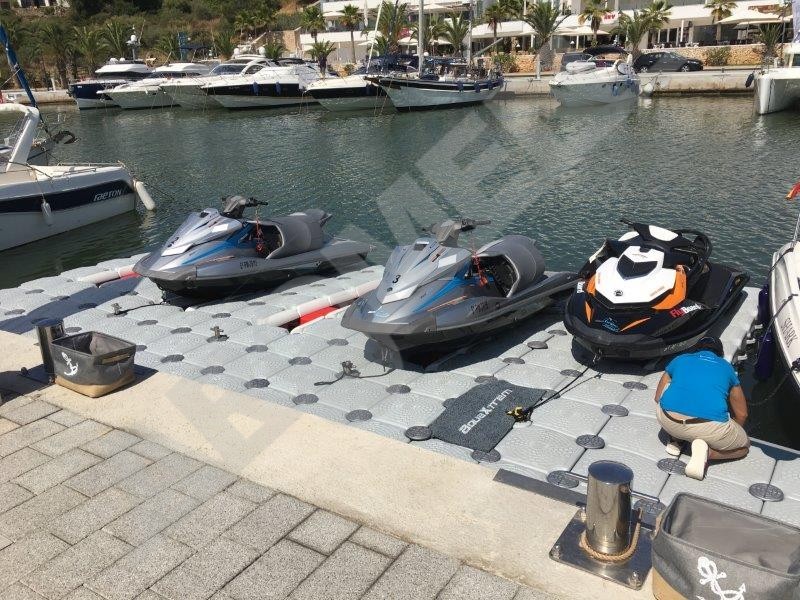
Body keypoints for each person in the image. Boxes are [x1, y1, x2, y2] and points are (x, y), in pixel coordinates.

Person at [653, 336, 749, 481]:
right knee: (744, 448)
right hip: (706, 427)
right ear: (720, 354)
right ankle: (708, 453)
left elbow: (657, 397)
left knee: (672, 390)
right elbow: (742, 415)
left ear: (695, 350)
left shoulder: (680, 359)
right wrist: (731, 432)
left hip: (667, 420)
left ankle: (675, 439)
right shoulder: (726, 368)